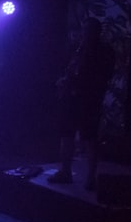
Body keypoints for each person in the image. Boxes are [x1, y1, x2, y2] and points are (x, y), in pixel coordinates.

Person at [49, 18, 115, 190]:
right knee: (72, 135)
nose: (84, 34)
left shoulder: (100, 51)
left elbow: (99, 76)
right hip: (77, 99)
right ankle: (71, 173)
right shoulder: (83, 49)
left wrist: (73, 81)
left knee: (87, 138)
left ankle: (83, 176)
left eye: (87, 30)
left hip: (86, 99)